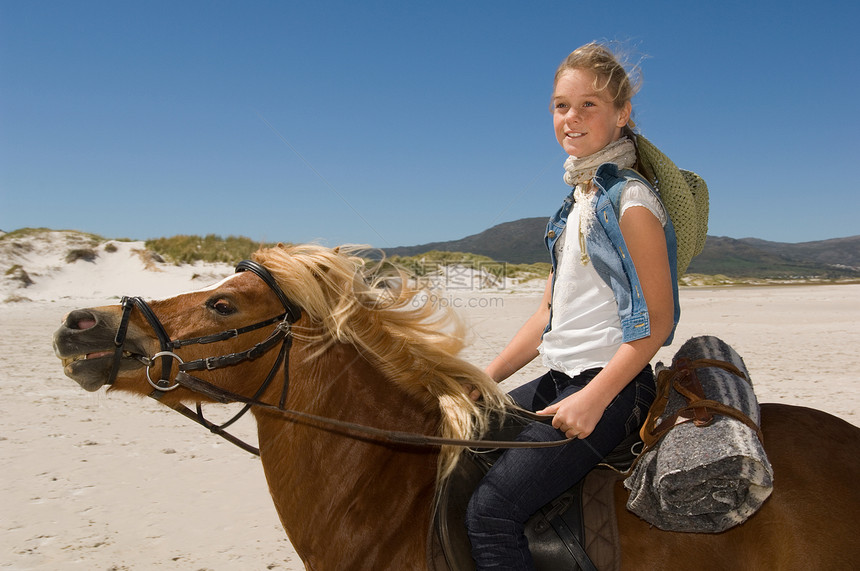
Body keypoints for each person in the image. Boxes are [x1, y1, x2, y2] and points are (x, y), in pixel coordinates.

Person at [465, 42, 681, 569]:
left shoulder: (629, 201)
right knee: (457, 442)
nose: (573, 117)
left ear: (622, 114)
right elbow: (546, 318)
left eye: (590, 104)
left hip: (612, 387)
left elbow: (658, 320)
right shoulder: (574, 205)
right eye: (563, 105)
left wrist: (594, 400)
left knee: (490, 516)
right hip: (559, 377)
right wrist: (483, 380)